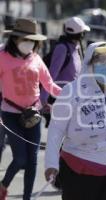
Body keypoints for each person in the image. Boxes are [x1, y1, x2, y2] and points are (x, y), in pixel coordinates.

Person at [44, 42, 106, 200]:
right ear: (90, 62)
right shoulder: (71, 90)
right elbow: (56, 130)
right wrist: (51, 164)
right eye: (102, 60)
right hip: (80, 169)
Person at [0, 18, 62, 200]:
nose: (29, 43)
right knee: (20, 158)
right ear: (14, 39)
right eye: (25, 39)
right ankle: (3, 185)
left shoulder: (36, 59)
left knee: (33, 160)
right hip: (10, 114)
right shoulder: (2, 57)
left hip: (33, 114)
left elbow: (49, 84)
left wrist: (71, 93)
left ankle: (27, 198)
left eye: (32, 40)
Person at [40, 16, 90, 128]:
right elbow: (51, 75)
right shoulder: (62, 48)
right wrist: (43, 100)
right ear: (80, 34)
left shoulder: (77, 47)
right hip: (61, 99)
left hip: (74, 98)